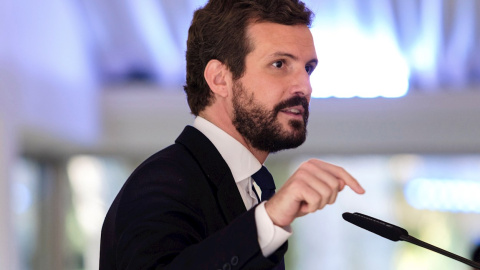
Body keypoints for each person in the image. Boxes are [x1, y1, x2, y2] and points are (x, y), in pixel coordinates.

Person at [99, 0, 365, 269]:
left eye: (308, 68)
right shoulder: (161, 181)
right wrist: (268, 220)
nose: (304, 86)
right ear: (219, 79)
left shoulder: (253, 189)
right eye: (279, 64)